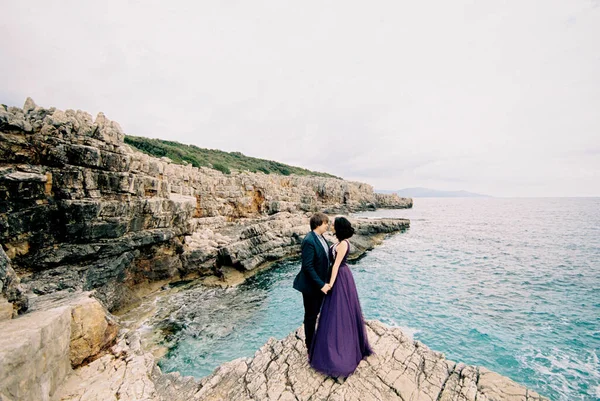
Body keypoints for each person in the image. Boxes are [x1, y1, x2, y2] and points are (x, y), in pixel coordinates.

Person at [309, 216, 373, 377]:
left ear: (339, 227)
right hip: (336, 275)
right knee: (332, 310)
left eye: (334, 225)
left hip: (341, 277)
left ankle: (342, 351)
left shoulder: (344, 244)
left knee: (340, 309)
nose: (331, 226)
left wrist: (330, 283)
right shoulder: (338, 242)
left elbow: (336, 265)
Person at [293, 212, 332, 355]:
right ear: (318, 224)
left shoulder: (321, 237)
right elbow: (307, 266)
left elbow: (325, 259)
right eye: (325, 223)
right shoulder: (309, 240)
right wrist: (321, 285)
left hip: (321, 284)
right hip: (311, 287)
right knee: (310, 315)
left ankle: (319, 340)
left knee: (319, 312)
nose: (327, 225)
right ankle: (310, 346)